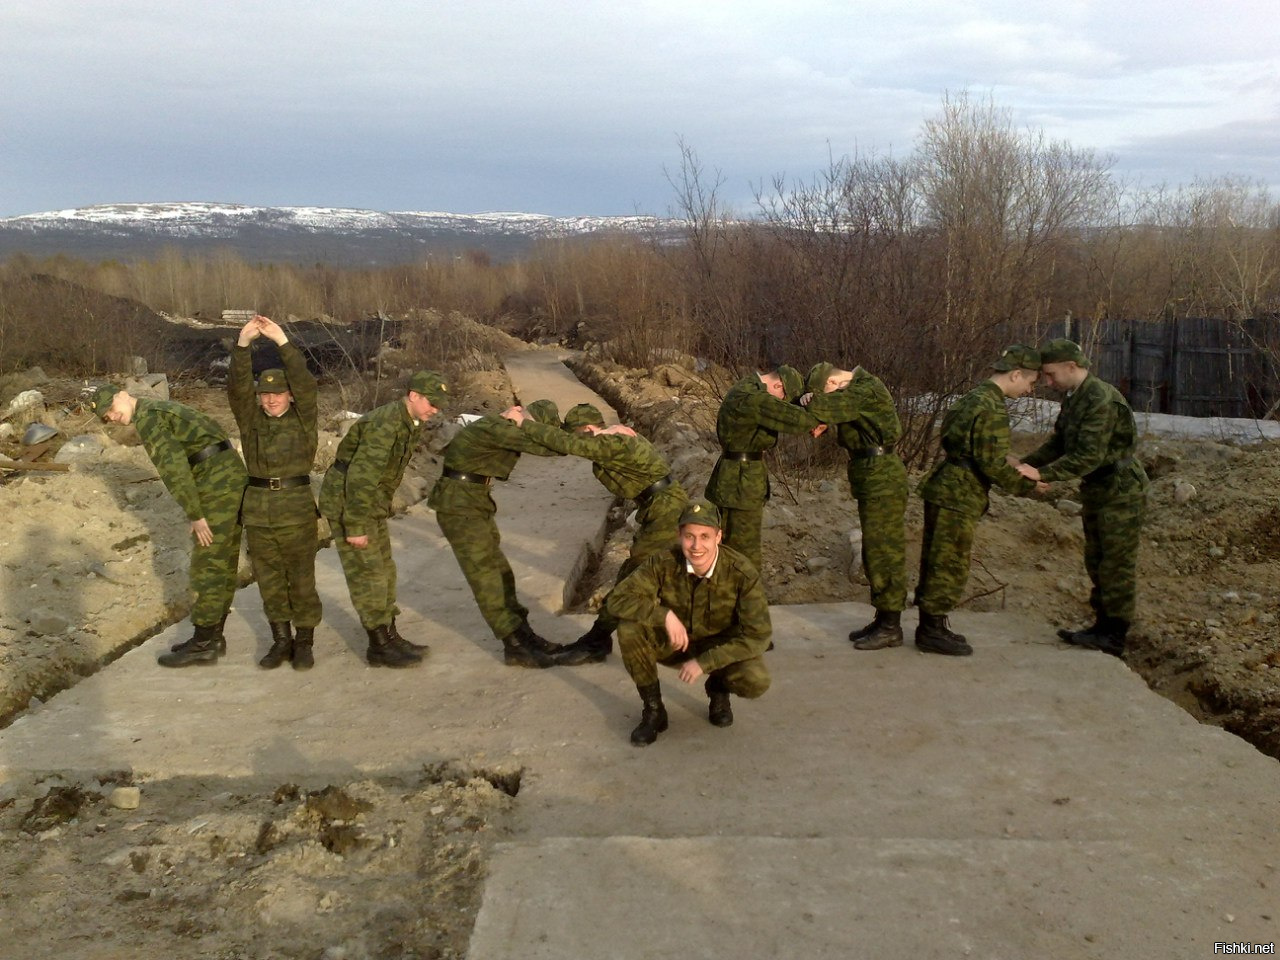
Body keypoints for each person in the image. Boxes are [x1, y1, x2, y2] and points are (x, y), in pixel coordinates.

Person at [508, 402, 688, 665]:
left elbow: (569, 444)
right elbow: (566, 438)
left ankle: (597, 641)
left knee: (633, 579)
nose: (578, 443)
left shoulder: (613, 442)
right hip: (658, 509)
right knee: (650, 577)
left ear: (590, 429)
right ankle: (606, 639)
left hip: (666, 513)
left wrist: (524, 423)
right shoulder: (612, 438)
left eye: (580, 435)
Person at [89, 382, 248, 667]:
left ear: (123, 396)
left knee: (208, 563)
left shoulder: (149, 418)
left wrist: (196, 513)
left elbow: (174, 469)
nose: (111, 417)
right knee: (222, 560)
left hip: (216, 483)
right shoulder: (158, 409)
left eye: (111, 409)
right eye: (106, 417)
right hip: (227, 477)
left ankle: (204, 643)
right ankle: (211, 637)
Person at [1017, 338, 1149, 657]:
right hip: (1099, 488)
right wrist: (1028, 464)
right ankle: (1101, 626)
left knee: (1115, 562)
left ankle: (1114, 635)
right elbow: (1060, 444)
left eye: (1050, 374)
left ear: (1071, 367)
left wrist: (1043, 475)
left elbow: (1088, 456)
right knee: (1097, 560)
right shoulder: (1076, 398)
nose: (1047, 382)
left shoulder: (1100, 399)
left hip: (1119, 488)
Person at [605, 499, 772, 746]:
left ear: (718, 537)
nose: (696, 546)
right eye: (689, 536)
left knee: (755, 680)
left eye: (705, 536)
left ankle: (718, 689)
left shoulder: (741, 572)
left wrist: (706, 663)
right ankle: (653, 710)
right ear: (679, 536)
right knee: (630, 628)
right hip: (676, 643)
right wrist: (663, 615)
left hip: (718, 649)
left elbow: (758, 636)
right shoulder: (663, 563)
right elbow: (617, 599)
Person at [914, 346, 1041, 656]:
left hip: (949, 484)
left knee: (938, 558)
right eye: (1031, 382)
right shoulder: (992, 406)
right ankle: (930, 631)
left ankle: (934, 624)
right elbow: (990, 463)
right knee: (949, 562)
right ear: (1015, 374)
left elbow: (965, 444)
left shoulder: (973, 398)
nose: (1030, 389)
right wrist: (1028, 487)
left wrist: (1011, 462)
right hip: (960, 492)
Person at [319, 370, 448, 667]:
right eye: (432, 403)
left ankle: (390, 635)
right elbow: (361, 478)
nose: (435, 410)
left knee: (385, 570)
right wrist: (355, 526)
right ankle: (378, 646)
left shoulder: (409, 420)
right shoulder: (385, 425)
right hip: (350, 504)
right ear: (414, 396)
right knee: (368, 575)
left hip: (371, 504)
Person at [426, 398, 568, 669]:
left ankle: (523, 634)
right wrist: (589, 437)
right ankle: (513, 645)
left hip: (472, 499)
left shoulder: (502, 425)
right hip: (459, 504)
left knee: (501, 572)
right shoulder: (498, 427)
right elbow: (552, 448)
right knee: (486, 576)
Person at [228, 315, 322, 671]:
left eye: (277, 394)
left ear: (290, 395)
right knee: (268, 580)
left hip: (296, 512)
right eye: (265, 395)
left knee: (301, 578)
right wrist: (242, 345)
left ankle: (305, 641)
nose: (270, 401)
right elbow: (237, 390)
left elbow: (306, 383)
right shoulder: (251, 422)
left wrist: (281, 340)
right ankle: (280, 640)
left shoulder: (304, 419)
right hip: (259, 514)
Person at [802, 362, 909, 649]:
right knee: (876, 549)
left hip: (882, 477)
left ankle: (891, 626)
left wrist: (813, 404)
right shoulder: (857, 392)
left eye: (821, 391)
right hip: (873, 475)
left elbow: (825, 408)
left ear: (832, 384)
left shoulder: (866, 389)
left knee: (883, 550)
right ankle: (883, 618)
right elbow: (840, 416)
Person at [705, 364, 818, 571]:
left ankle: (731, 597)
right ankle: (745, 600)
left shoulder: (748, 389)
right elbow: (800, 420)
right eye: (784, 400)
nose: (783, 404)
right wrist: (818, 406)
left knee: (730, 551)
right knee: (743, 554)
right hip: (741, 483)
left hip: (736, 477)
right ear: (778, 385)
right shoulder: (754, 398)